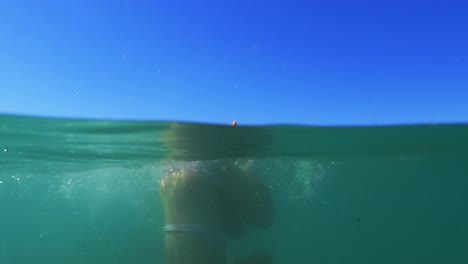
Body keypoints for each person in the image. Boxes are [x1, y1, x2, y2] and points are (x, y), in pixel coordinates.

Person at [159, 121, 274, 264]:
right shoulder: (222, 170)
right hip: (201, 250)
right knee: (263, 256)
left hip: (176, 251)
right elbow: (263, 219)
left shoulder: (178, 175)